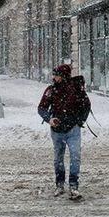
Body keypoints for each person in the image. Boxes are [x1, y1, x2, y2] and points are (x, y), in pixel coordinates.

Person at [37, 64, 91, 200]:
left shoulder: (76, 89)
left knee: (75, 157)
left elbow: (86, 105)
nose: (53, 77)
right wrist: (49, 119)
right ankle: (60, 184)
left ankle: (73, 186)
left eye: (56, 75)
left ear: (63, 76)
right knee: (58, 159)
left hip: (73, 129)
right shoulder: (51, 90)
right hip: (57, 130)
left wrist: (79, 121)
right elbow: (41, 108)